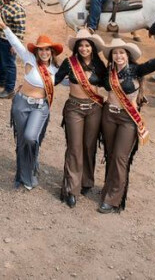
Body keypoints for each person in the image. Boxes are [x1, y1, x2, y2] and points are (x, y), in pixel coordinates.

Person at [98, 38, 155, 213]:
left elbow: (151, 64)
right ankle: (108, 188)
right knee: (110, 154)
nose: (118, 56)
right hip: (108, 115)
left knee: (120, 157)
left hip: (127, 119)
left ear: (127, 55)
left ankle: (113, 199)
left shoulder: (136, 70)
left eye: (122, 52)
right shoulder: (108, 72)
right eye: (115, 53)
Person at [0, 26, 62, 191]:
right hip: (21, 104)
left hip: (40, 108)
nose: (44, 52)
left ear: (52, 51)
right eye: (41, 49)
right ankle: (24, 176)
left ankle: (31, 164)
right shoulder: (29, 59)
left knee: (30, 137)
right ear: (36, 51)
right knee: (22, 140)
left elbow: (73, 81)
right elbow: (15, 42)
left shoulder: (56, 69)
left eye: (47, 49)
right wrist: (4, 27)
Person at [52, 30, 107, 208]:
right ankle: (70, 189)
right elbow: (54, 80)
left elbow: (110, 84)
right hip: (74, 108)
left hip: (94, 109)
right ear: (76, 47)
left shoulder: (99, 64)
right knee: (74, 148)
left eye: (87, 45)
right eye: (81, 45)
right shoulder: (70, 63)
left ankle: (86, 181)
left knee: (89, 146)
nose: (84, 48)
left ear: (92, 47)